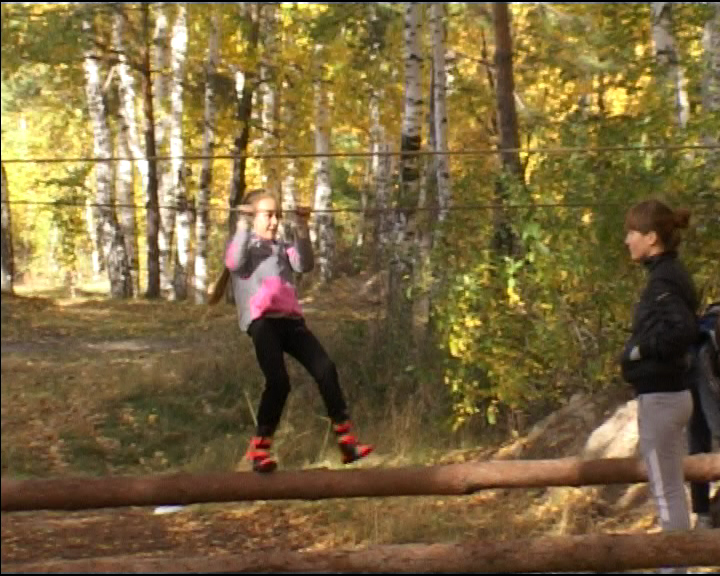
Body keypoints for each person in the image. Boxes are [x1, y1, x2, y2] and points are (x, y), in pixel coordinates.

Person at [210, 189, 373, 473]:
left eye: (277, 215)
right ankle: (259, 449)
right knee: (278, 381)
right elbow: (233, 262)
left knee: (325, 369)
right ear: (253, 217)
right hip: (263, 323)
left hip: (291, 322)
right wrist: (243, 225)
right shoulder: (245, 247)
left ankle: (346, 439)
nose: (274, 222)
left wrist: (302, 227)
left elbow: (304, 264)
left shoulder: (282, 247)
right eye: (268, 215)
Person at [620, 199, 699, 570]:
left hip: (663, 398)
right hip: (668, 396)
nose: (627, 240)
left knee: (666, 491)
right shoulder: (667, 274)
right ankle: (675, 566)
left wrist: (639, 351)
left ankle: (675, 566)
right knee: (669, 488)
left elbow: (682, 330)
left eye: (632, 232)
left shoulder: (664, 279)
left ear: (651, 238)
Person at [687, 301, 720, 529]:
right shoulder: (706, 352)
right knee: (699, 443)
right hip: (697, 388)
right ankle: (702, 514)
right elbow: (716, 421)